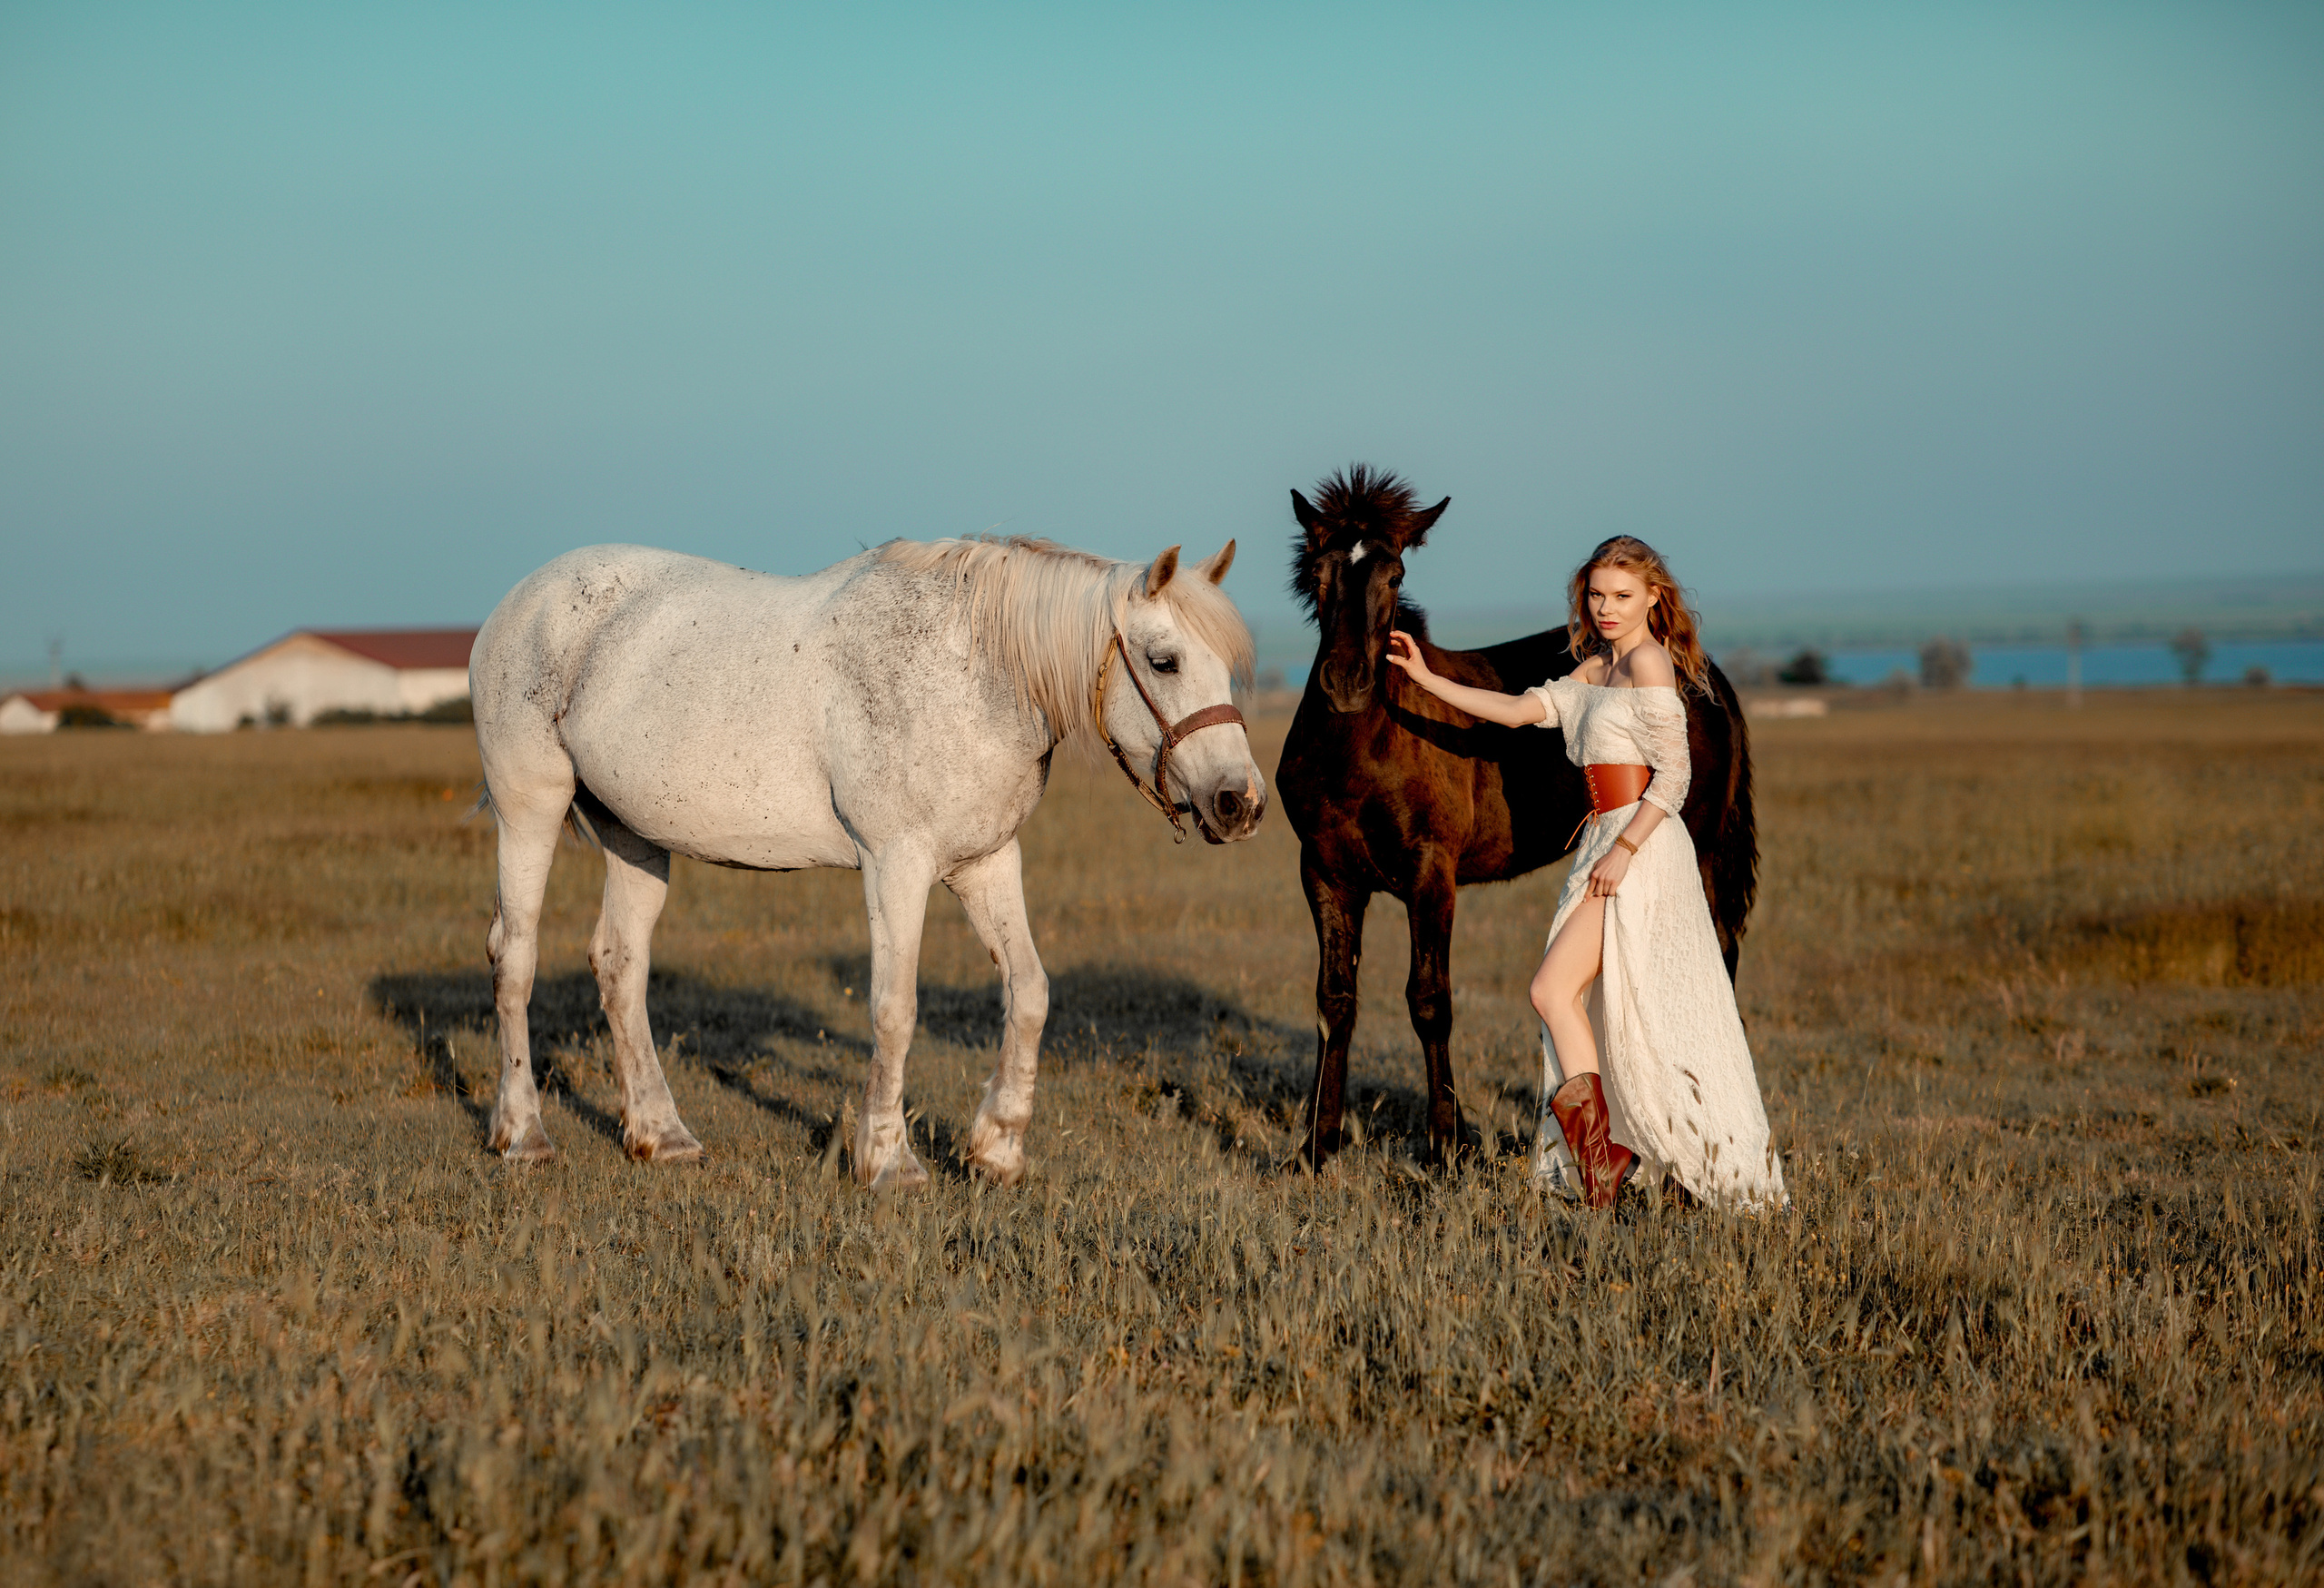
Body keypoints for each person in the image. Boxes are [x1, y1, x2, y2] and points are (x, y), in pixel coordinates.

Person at [1384, 537, 1787, 1210]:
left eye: (1622, 596)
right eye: (1596, 594)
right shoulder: (1596, 670)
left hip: (1639, 847)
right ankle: (1608, 1161)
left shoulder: (1651, 663)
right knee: (1575, 998)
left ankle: (1620, 1161)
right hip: (1604, 838)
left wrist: (1625, 850)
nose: (1606, 607)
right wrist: (1425, 678)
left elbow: (1677, 774)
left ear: (1653, 598)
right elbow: (1516, 711)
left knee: (1555, 990)